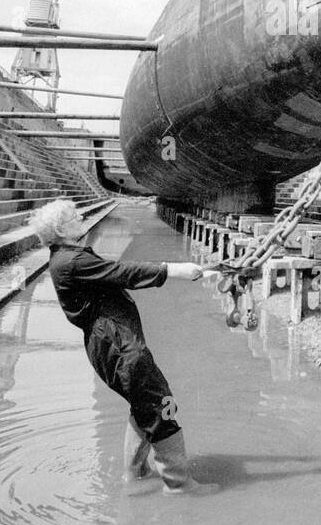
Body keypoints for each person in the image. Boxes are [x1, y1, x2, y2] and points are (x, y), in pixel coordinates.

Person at [31, 198, 216, 494]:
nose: (80, 218)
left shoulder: (66, 257)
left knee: (142, 404)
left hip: (108, 346)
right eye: (74, 217)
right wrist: (173, 270)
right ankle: (179, 485)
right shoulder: (73, 261)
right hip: (119, 346)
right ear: (62, 229)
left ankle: (135, 476)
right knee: (160, 403)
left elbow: (117, 272)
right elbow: (123, 272)